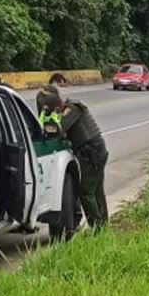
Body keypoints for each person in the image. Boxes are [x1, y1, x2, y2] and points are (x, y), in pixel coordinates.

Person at [37, 86, 109, 229]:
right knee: (97, 190)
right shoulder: (71, 108)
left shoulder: (72, 109)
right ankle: (103, 226)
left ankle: (97, 228)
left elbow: (59, 129)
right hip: (96, 151)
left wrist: (45, 117)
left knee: (86, 193)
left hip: (91, 153)